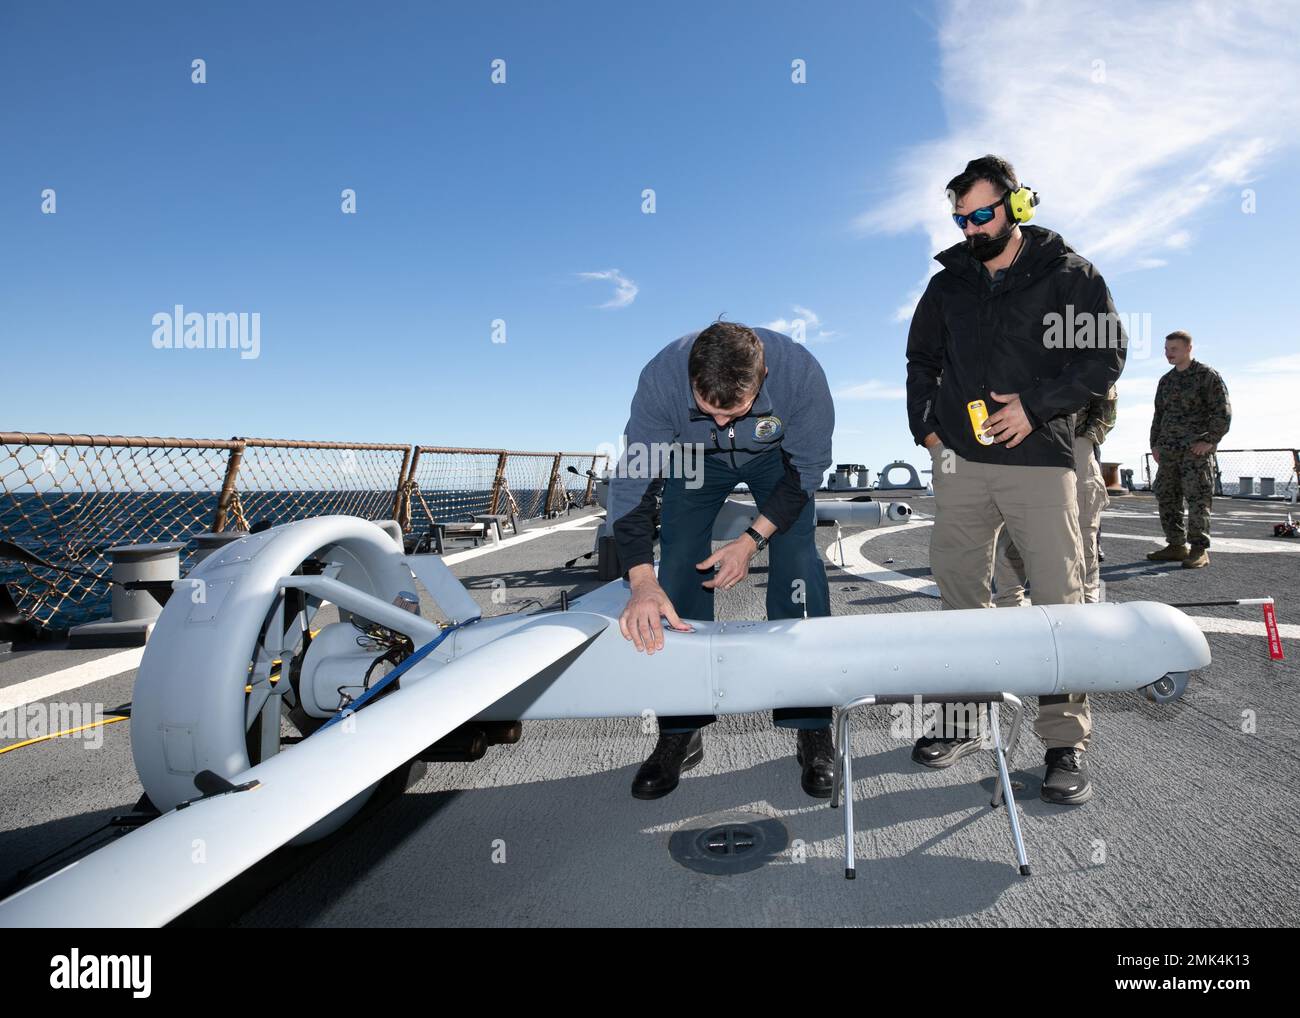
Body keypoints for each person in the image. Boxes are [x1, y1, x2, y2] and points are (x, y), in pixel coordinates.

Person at [905, 155, 1126, 805]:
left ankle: (1064, 740)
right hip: (963, 467)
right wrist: (928, 430)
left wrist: (1034, 407)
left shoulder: (1069, 275)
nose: (971, 227)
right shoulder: (949, 284)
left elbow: (1105, 356)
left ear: (1017, 205)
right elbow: (922, 358)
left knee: (1061, 598)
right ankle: (968, 718)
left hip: (1041, 459)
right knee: (964, 596)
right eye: (960, 217)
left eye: (982, 213)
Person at [607, 322, 836, 800]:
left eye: (734, 412)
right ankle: (681, 725)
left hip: (777, 460)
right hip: (694, 459)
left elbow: (807, 471)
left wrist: (751, 539)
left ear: (764, 376)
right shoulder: (660, 380)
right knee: (678, 564)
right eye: (708, 411)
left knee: (797, 563)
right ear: (691, 379)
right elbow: (632, 486)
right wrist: (642, 582)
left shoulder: (800, 374)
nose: (722, 425)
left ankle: (810, 720)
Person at [994, 383, 1117, 605]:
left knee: (1081, 534)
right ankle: (1009, 608)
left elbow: (1105, 394)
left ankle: (1086, 607)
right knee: (1010, 534)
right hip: (1022, 443)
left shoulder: (1084, 351)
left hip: (1074, 442)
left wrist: (1083, 440)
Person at [1147, 331, 1232, 569]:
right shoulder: (1166, 381)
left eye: (1173, 349)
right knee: (1167, 497)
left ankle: (1198, 549)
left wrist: (1210, 441)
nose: (1168, 353)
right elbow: (1159, 415)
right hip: (1168, 451)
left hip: (1195, 452)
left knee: (1197, 499)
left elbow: (1222, 412)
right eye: (1166, 349)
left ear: (1188, 349)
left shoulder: (1207, 376)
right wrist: (1154, 444)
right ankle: (1176, 545)